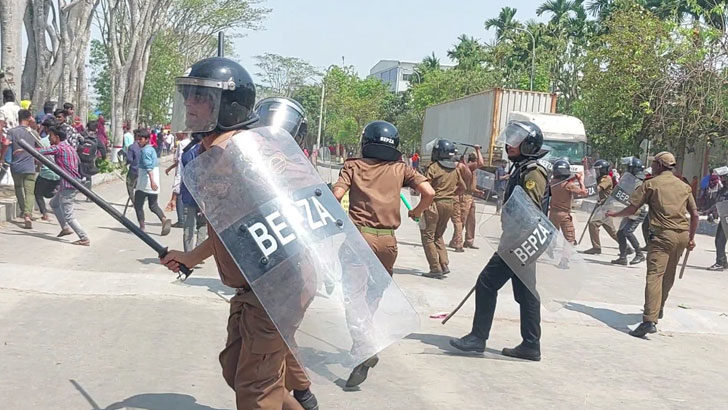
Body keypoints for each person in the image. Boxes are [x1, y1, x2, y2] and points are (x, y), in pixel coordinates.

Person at [160, 57, 319, 410]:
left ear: (228, 106)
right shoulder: (215, 151)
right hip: (254, 287)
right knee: (237, 371)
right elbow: (229, 229)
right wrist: (189, 257)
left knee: (255, 390)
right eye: (188, 95)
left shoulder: (238, 153)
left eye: (200, 97)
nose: (190, 103)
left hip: (278, 286)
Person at [333, 120, 434, 387]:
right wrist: (417, 212)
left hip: (359, 240)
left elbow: (336, 194)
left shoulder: (353, 166)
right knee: (373, 294)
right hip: (388, 244)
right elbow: (429, 192)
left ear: (367, 143)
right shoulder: (401, 169)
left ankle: (365, 346)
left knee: (353, 298)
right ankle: (362, 345)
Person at [450, 120, 549, 361]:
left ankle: (478, 337)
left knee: (486, 283)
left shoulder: (533, 172)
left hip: (519, 241)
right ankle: (531, 344)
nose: (509, 145)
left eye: (516, 141)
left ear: (529, 144)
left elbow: (529, 211)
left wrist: (513, 242)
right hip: (522, 241)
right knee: (526, 294)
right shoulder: (523, 167)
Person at [607, 152, 698, 338]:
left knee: (654, 276)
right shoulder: (684, 186)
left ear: (659, 165)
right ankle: (659, 308)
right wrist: (691, 238)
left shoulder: (651, 184)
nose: (652, 167)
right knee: (669, 275)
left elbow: (633, 208)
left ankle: (649, 320)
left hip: (662, 235)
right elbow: (695, 215)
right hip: (681, 235)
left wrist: (615, 214)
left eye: (654, 164)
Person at [37, 124, 90, 245]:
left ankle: (84, 237)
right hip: (72, 183)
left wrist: (24, 149)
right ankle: (65, 228)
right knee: (54, 203)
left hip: (68, 185)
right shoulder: (69, 147)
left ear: (56, 137)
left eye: (50, 136)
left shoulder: (59, 148)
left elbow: (42, 151)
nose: (49, 138)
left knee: (69, 215)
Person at [421, 139, 465, 278]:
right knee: (438, 235)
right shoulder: (454, 169)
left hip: (434, 204)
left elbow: (426, 187)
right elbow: (463, 187)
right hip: (449, 204)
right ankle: (444, 264)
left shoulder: (433, 167)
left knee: (428, 236)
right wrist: (451, 194)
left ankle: (435, 268)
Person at [1, 109, 39, 228]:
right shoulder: (33, 133)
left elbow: (6, 143)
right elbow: (41, 147)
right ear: (29, 118)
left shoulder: (13, 131)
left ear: (18, 118)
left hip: (16, 165)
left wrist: (2, 157)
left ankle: (23, 211)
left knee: (18, 188)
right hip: (30, 166)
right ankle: (28, 214)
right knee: (30, 192)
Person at [133, 128, 171, 236]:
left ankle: (142, 227)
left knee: (138, 205)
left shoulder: (145, 151)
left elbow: (148, 167)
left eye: (141, 139)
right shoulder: (152, 150)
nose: (139, 141)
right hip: (152, 182)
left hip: (145, 183)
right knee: (153, 205)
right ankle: (163, 219)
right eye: (138, 139)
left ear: (147, 140)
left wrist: (152, 181)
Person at [582, 159, 622, 255]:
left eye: (598, 170)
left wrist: (586, 191)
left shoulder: (606, 178)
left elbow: (598, 189)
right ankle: (626, 247)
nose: (596, 172)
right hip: (602, 207)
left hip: (605, 207)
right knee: (611, 231)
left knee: (593, 224)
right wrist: (586, 166)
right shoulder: (600, 177)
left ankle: (596, 248)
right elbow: (589, 177)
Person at [612, 157, 647, 265]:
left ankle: (639, 254)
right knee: (621, 233)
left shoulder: (639, 181)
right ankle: (623, 257)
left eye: (629, 167)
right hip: (631, 208)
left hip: (638, 210)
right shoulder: (633, 179)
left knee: (627, 231)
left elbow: (637, 198)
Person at [549, 159, 587, 245]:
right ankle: (565, 258)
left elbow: (564, 180)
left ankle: (550, 253)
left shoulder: (553, 182)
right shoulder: (569, 185)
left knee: (552, 235)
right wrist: (580, 180)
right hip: (564, 214)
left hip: (552, 213)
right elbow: (583, 193)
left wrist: (573, 177)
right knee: (570, 239)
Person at [35, 117, 61, 221]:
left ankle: (45, 213)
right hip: (59, 173)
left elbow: (38, 158)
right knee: (50, 193)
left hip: (46, 173)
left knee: (37, 192)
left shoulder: (43, 141)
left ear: (46, 128)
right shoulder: (61, 141)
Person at [165, 132, 191, 228]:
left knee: (178, 196)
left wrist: (172, 169)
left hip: (181, 173)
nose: (176, 134)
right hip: (188, 172)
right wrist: (170, 168)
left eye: (178, 133)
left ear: (183, 133)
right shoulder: (191, 143)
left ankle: (181, 220)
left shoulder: (181, 144)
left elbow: (179, 160)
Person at [463, 149, 485, 249]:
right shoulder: (469, 166)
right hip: (464, 196)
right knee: (462, 220)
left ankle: (469, 241)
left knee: (471, 220)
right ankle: (456, 240)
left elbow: (470, 186)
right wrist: (478, 150)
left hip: (470, 196)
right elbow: (481, 163)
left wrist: (477, 191)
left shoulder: (471, 170)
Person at [706, 174, 728, 271]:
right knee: (719, 240)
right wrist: (711, 211)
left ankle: (720, 263)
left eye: (725, 177)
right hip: (724, 218)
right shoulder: (722, 190)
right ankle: (722, 261)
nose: (723, 179)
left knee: (720, 240)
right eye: (722, 177)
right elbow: (719, 203)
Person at [448, 155, 470, 252]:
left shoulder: (439, 168)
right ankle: (458, 244)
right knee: (457, 221)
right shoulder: (458, 169)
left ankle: (434, 241)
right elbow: (463, 186)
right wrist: (455, 193)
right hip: (454, 197)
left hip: (440, 198)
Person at [125, 133, 142, 206]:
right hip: (141, 170)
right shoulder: (143, 147)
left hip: (133, 170)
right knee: (138, 186)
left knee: (129, 185)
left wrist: (125, 164)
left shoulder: (132, 147)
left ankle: (134, 202)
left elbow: (129, 159)